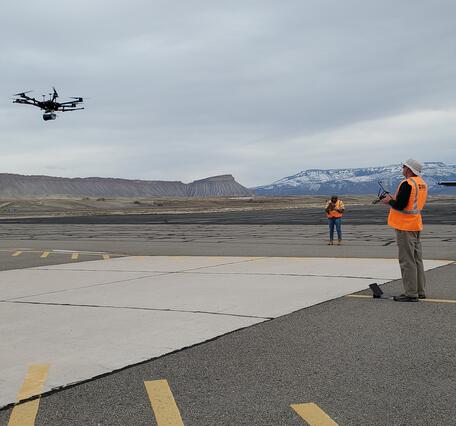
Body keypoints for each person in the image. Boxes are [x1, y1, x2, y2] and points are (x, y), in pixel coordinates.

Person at [382, 159, 428, 302]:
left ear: (408, 169)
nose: (402, 169)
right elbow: (410, 203)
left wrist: (388, 201)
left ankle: (410, 293)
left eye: (403, 167)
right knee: (417, 260)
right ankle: (420, 290)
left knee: (407, 261)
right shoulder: (421, 183)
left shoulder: (407, 183)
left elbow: (400, 205)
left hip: (405, 226)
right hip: (415, 224)